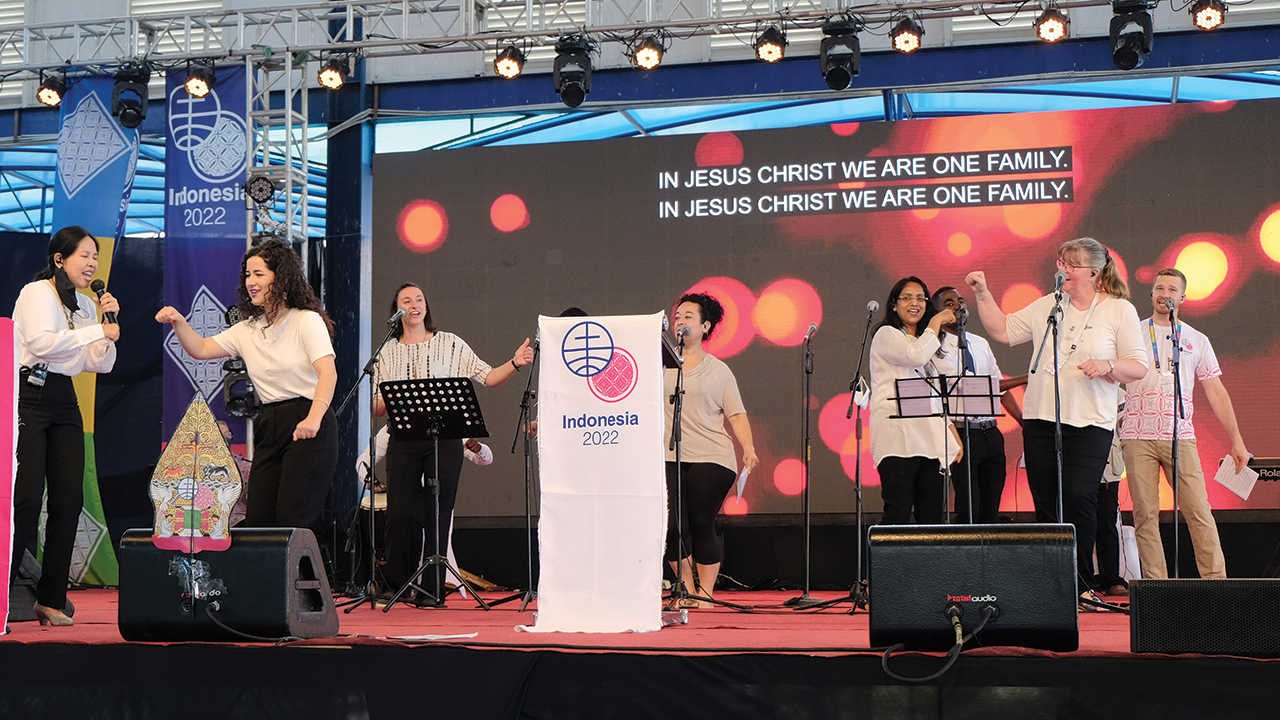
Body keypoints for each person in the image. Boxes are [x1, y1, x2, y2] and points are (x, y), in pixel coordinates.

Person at [966, 237, 1148, 594]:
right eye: (1060, 263)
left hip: (1091, 422)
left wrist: (1108, 365)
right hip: (1041, 419)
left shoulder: (1117, 310)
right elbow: (1003, 330)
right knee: (1046, 502)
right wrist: (983, 293)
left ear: (1094, 273)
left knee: (1080, 497)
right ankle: (1054, 588)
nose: (1061, 270)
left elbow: (1138, 366)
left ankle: (1082, 582)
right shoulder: (1050, 305)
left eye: (1070, 264)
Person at [156, 238, 338, 533]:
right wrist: (178, 321)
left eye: (259, 274)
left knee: (291, 519)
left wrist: (313, 418)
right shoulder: (247, 329)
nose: (251, 282)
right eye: (248, 275)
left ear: (282, 278)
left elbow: (328, 373)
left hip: (308, 419)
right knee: (258, 520)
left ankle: (299, 579)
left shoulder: (307, 321)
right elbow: (201, 348)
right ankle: (265, 579)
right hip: (270, 421)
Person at [372, 282, 532, 604]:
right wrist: (402, 396)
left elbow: (487, 376)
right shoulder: (387, 352)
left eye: (419, 299)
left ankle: (432, 590)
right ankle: (395, 584)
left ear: (426, 307)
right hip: (403, 437)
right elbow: (376, 406)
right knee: (398, 512)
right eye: (407, 300)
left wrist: (514, 363)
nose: (414, 304)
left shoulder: (451, 344)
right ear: (397, 311)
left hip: (445, 438)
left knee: (438, 512)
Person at [10, 226, 120, 627]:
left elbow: (100, 363)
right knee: (24, 500)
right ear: (60, 259)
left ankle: (51, 598)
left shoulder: (88, 305)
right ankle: (3, 593)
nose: (92, 264)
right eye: (84, 256)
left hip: (64, 398)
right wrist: (97, 331)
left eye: (95, 257)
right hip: (28, 394)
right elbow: (40, 344)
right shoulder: (36, 292)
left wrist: (106, 326)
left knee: (68, 499)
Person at [1120, 268, 1250, 581]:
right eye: (1159, 288)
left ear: (1183, 297)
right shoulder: (1131, 334)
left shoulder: (1196, 340)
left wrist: (1237, 440)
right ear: (1151, 294)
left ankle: (1216, 582)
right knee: (1145, 514)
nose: (1165, 294)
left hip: (1182, 436)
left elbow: (1216, 391)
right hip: (1137, 437)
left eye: (1172, 289)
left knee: (1198, 511)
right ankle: (1156, 587)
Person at [664, 292, 758, 609]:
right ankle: (686, 589)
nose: (680, 320)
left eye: (689, 316)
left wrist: (748, 447)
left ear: (705, 327)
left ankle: (705, 593)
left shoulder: (718, 371)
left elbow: (737, 414)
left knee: (701, 521)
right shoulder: (657, 366)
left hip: (712, 456)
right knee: (671, 526)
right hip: (667, 455)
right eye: (678, 316)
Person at [929, 286, 1027, 524]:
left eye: (960, 301)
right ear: (936, 311)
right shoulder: (933, 348)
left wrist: (1023, 421)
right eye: (949, 302)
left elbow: (998, 387)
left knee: (991, 506)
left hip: (990, 432)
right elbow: (980, 386)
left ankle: (990, 555)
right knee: (969, 506)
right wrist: (1027, 377)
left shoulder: (979, 343)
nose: (957, 305)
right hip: (961, 434)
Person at [869, 277, 962, 525]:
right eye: (907, 297)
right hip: (897, 436)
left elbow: (931, 395)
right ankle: (889, 565)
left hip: (927, 437)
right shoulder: (886, 334)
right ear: (894, 305)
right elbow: (915, 356)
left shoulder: (923, 342)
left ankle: (928, 564)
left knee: (931, 514)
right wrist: (938, 320)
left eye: (921, 298)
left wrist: (950, 429)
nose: (915, 303)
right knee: (898, 512)